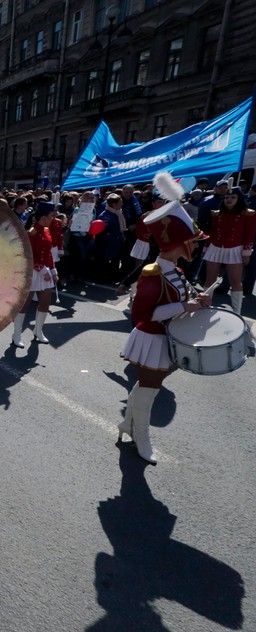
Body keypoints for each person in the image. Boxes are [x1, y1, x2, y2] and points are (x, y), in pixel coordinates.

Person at [119, 174, 209, 464]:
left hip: (166, 337)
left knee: (146, 386)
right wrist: (185, 305)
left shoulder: (177, 272)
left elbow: (180, 302)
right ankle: (141, 438)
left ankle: (127, 424)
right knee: (150, 389)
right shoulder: (152, 274)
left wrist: (197, 301)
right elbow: (142, 315)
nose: (195, 247)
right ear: (177, 244)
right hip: (151, 337)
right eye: (192, 242)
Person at [202, 186, 255, 316]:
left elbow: (249, 235)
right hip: (215, 247)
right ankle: (204, 305)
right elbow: (212, 232)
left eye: (233, 197)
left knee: (235, 281)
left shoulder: (248, 214)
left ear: (239, 199)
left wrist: (246, 253)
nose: (229, 199)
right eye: (226, 197)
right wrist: (206, 248)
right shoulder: (217, 213)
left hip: (235, 249)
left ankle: (237, 311)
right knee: (210, 279)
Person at [12, 204, 57, 347]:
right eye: (51, 216)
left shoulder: (46, 230)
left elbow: (48, 253)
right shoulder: (31, 232)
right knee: (25, 304)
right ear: (43, 217)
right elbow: (28, 255)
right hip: (32, 272)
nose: (53, 218)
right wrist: (42, 269)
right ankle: (17, 334)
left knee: (45, 302)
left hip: (45, 271)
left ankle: (38, 331)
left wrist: (53, 270)